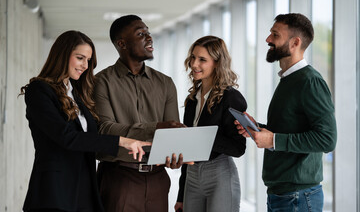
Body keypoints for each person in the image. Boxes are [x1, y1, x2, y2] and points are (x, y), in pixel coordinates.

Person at [20, 30, 151, 212]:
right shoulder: (39, 90)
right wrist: (122, 141)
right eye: (80, 58)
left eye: (88, 60)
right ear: (63, 55)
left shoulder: (76, 93)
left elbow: (92, 136)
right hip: (54, 191)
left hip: (84, 190)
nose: (85, 65)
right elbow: (67, 137)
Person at [236, 13, 337, 212]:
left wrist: (273, 140)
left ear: (295, 42)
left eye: (275, 35)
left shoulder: (309, 81)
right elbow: (290, 128)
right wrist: (258, 128)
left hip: (298, 197)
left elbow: (327, 139)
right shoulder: (289, 80)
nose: (268, 39)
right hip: (283, 194)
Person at [94, 14, 184, 212]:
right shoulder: (101, 82)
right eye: (141, 34)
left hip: (158, 180)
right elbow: (105, 129)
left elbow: (172, 132)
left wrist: (175, 156)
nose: (149, 38)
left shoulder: (165, 83)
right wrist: (157, 127)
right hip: (119, 178)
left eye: (149, 33)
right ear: (122, 43)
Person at [175, 35, 247, 212]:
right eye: (193, 57)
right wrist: (180, 195)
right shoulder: (192, 99)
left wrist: (204, 137)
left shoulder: (231, 98)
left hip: (219, 174)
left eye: (202, 60)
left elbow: (238, 148)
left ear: (217, 63)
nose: (194, 64)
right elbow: (188, 147)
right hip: (192, 176)